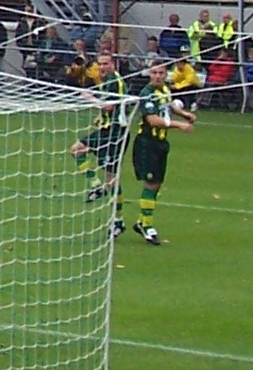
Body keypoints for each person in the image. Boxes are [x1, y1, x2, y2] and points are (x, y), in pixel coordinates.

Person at [125, 59, 193, 245]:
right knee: (151, 183)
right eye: (154, 73)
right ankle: (147, 226)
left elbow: (168, 105)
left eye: (161, 73)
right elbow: (153, 120)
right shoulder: (146, 94)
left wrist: (184, 114)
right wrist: (180, 125)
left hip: (161, 143)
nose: (157, 76)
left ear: (166, 74)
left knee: (157, 183)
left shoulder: (164, 90)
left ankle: (142, 222)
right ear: (149, 73)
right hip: (147, 144)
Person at [69, 47, 129, 204]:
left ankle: (118, 218)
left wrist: (90, 98)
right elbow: (112, 108)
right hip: (106, 129)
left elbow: (109, 106)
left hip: (115, 132)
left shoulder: (114, 81)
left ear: (113, 64)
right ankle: (95, 185)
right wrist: (100, 117)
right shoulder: (107, 80)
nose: (102, 67)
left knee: (111, 177)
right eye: (100, 64)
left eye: (106, 64)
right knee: (76, 150)